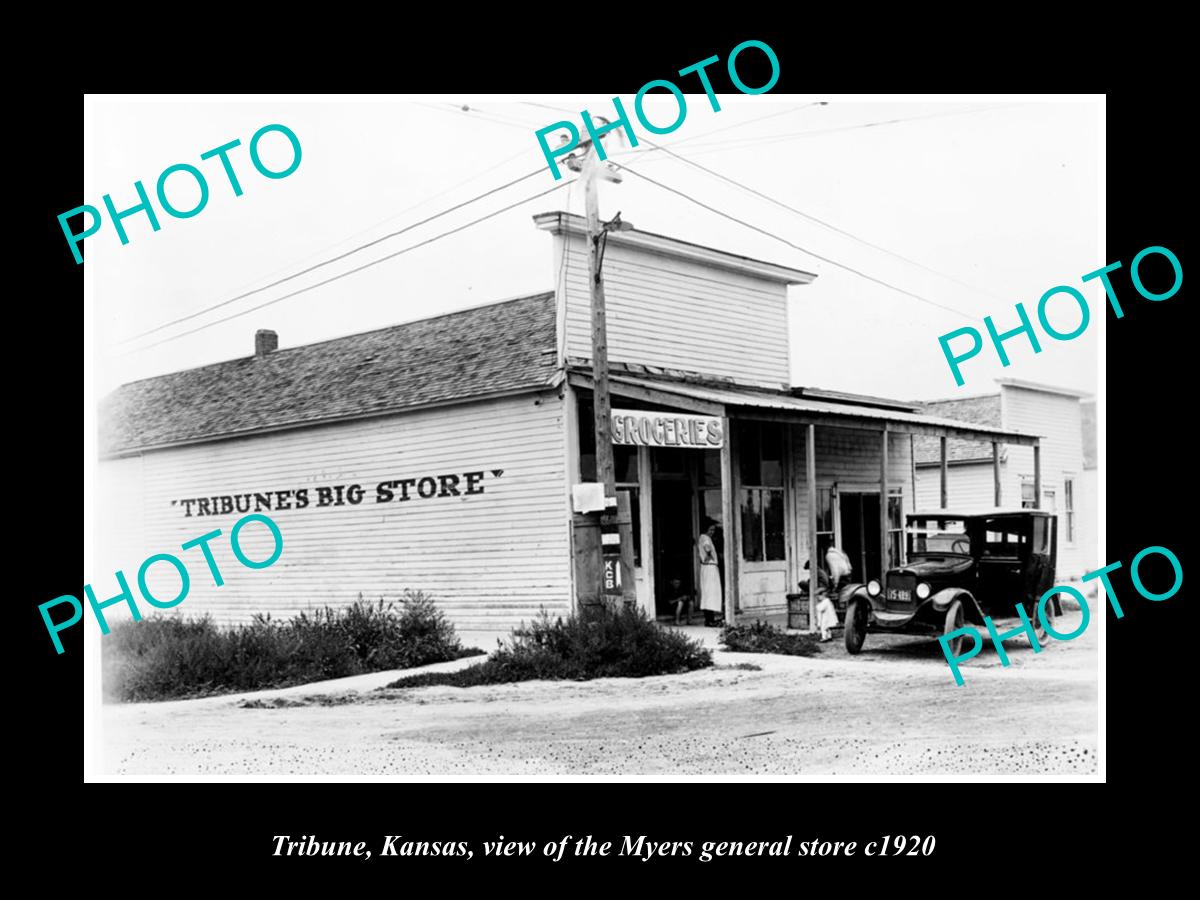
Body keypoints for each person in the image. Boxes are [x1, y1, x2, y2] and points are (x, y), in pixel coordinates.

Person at [697, 519, 723, 626]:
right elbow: (707, 549)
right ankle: (709, 620)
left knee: (710, 593)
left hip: (708, 568)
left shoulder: (704, 538)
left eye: (713, 530)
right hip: (709, 568)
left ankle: (710, 619)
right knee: (710, 593)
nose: (712, 532)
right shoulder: (705, 538)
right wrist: (709, 556)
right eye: (710, 529)